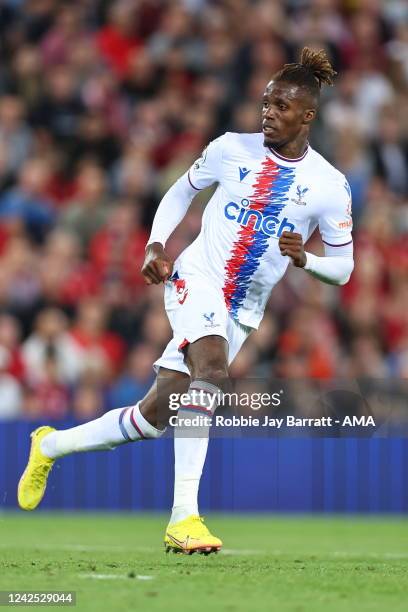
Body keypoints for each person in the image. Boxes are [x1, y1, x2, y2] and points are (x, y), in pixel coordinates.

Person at [17, 48, 354, 555]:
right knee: (212, 372)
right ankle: (184, 518)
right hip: (197, 278)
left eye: (282, 107)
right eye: (266, 102)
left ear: (308, 115)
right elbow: (180, 192)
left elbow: (344, 269)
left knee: (154, 417)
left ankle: (48, 445)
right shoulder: (230, 149)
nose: (268, 113)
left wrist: (306, 261)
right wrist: (156, 243)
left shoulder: (330, 187)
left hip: (244, 309)